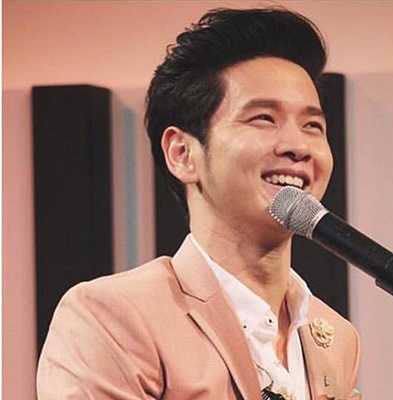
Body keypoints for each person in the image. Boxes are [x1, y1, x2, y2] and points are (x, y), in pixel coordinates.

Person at [37, 7, 361, 400]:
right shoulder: (112, 317)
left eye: (313, 125)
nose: (298, 146)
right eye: (263, 118)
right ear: (182, 154)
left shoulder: (335, 336)